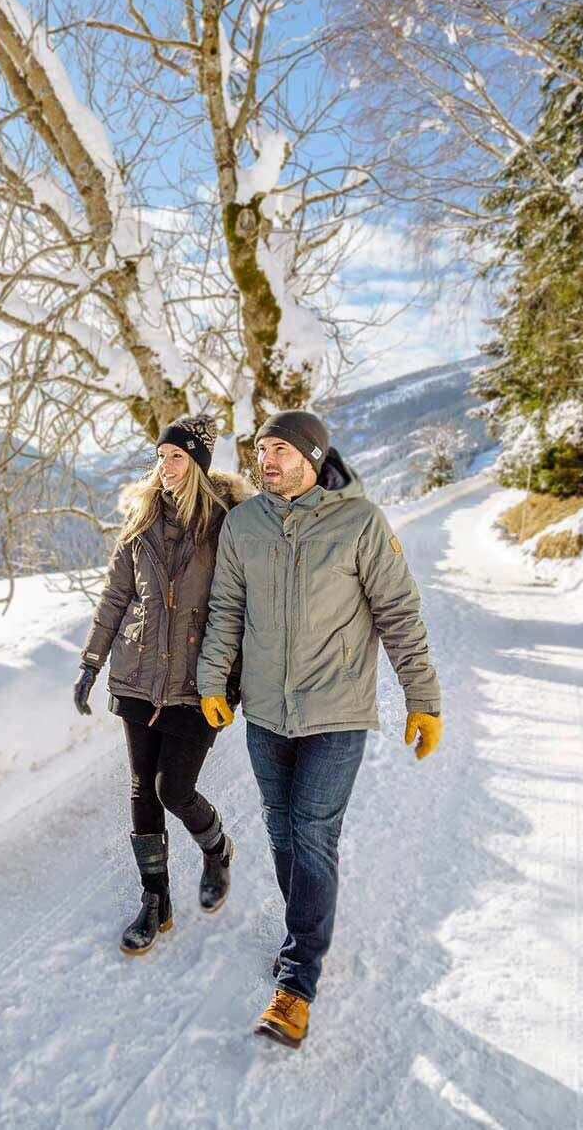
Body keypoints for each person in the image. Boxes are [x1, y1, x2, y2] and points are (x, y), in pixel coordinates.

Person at [193, 409, 443, 1050]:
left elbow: (399, 613)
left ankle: (297, 983)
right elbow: (226, 606)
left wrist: (423, 699)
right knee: (281, 831)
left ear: (311, 456)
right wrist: (213, 681)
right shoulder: (245, 524)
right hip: (266, 715)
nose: (265, 461)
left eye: (279, 450)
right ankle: (304, 930)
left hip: (337, 712)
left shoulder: (359, 522)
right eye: (260, 451)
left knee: (311, 832)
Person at [73, 414, 255, 956]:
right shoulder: (142, 518)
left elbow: (244, 608)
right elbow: (114, 597)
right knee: (140, 792)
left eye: (176, 456)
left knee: (172, 788)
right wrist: (91, 662)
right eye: (160, 456)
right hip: (137, 676)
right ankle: (156, 900)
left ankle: (216, 847)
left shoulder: (228, 524)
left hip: (202, 682)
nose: (165, 466)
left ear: (198, 463)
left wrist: (239, 679)